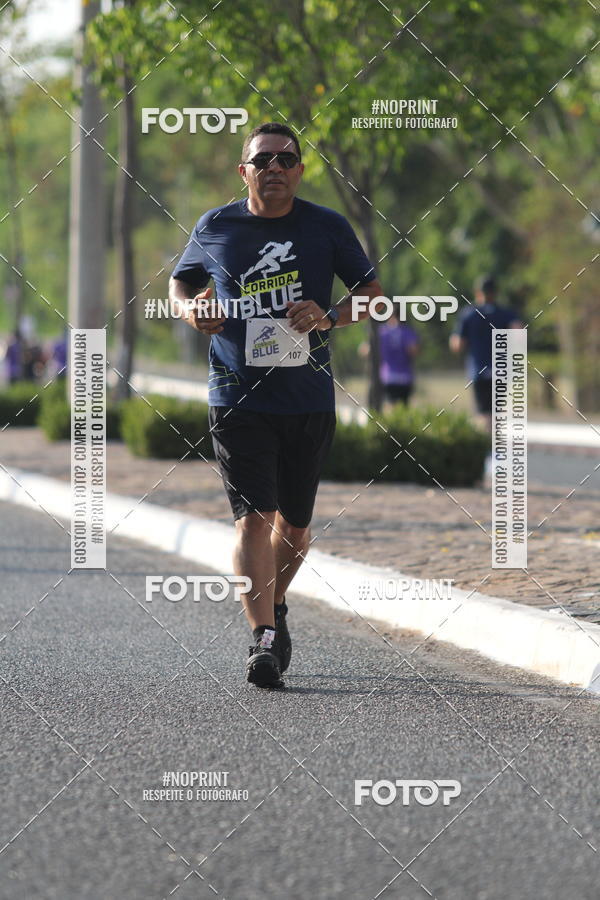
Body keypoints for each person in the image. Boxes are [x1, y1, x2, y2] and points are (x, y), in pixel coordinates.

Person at [169, 122, 382, 689]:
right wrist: (192, 311)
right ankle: (261, 638)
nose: (275, 169)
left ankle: (274, 603)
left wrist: (329, 316)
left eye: (286, 160)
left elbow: (372, 297)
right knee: (254, 519)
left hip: (307, 398)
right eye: (263, 160)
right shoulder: (216, 225)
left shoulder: (326, 226)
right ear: (244, 171)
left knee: (294, 528)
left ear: (301, 171)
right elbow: (180, 285)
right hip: (236, 395)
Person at [450, 276, 522, 431]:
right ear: (496, 292)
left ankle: (485, 443)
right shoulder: (506, 314)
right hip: (500, 370)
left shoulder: (468, 314)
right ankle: (494, 442)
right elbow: (518, 335)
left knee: (482, 414)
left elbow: (457, 345)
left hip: (478, 370)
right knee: (496, 413)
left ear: (477, 292)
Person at [378, 312, 419, 406]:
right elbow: (414, 350)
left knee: (390, 405)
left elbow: (365, 351)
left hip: (388, 376)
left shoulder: (382, 332)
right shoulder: (407, 331)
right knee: (403, 407)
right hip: (405, 377)